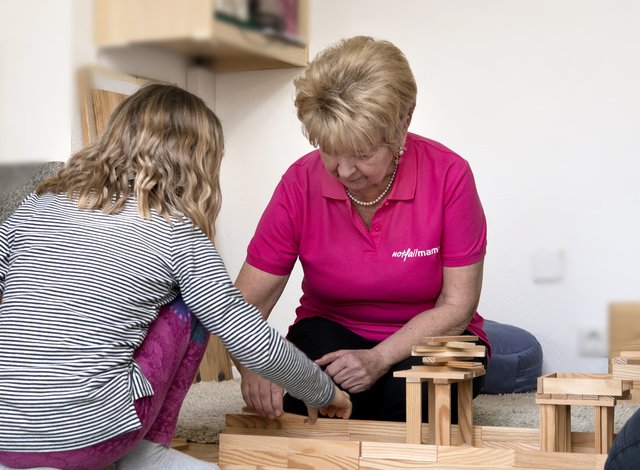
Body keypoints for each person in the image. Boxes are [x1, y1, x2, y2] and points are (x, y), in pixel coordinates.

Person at [0, 84, 351, 470]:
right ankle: (147, 454)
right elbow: (249, 336)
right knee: (195, 302)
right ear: (198, 164)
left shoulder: (37, 204)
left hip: (5, 437)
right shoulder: (176, 233)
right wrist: (322, 391)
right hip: (89, 438)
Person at [235, 35, 489, 423]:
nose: (344, 171)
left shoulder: (450, 176)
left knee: (417, 403)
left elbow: (457, 305)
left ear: (403, 122)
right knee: (305, 394)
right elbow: (241, 306)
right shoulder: (299, 182)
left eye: (363, 153)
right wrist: (252, 365)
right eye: (330, 150)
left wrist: (379, 358)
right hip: (332, 329)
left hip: (429, 336)